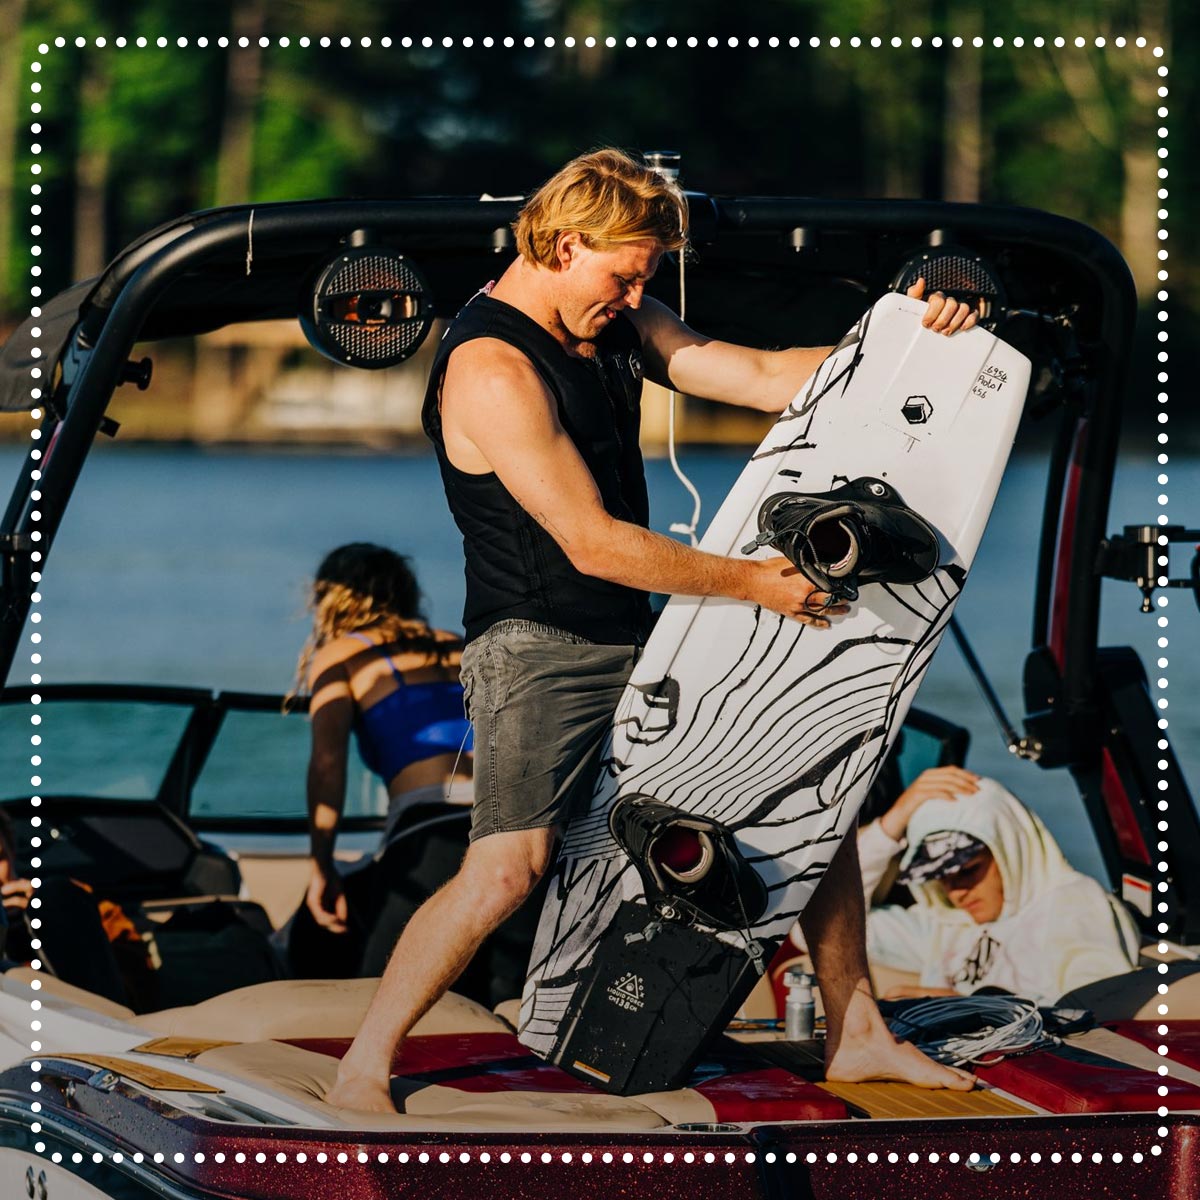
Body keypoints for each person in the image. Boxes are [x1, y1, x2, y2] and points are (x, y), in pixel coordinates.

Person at [327, 148, 981, 1111]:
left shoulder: (618, 318)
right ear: (559, 243)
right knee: (511, 866)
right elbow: (592, 543)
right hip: (537, 650)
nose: (637, 292)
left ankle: (858, 1034)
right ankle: (361, 1066)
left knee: (810, 784)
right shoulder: (491, 366)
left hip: (644, 629)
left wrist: (916, 346)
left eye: (645, 276)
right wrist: (756, 585)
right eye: (623, 271)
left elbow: (759, 376)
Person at [295, 543, 478, 977]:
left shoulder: (342, 655)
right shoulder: (460, 644)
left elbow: (326, 764)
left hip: (429, 828)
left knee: (383, 989)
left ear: (333, 600)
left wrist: (322, 865)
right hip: (505, 823)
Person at [857, 768, 1141, 1006]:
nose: (956, 892)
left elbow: (1097, 1010)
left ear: (1009, 848)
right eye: (941, 877)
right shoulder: (943, 923)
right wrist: (894, 819)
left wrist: (965, 1005)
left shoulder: (1073, 904)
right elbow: (822, 931)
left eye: (969, 870)